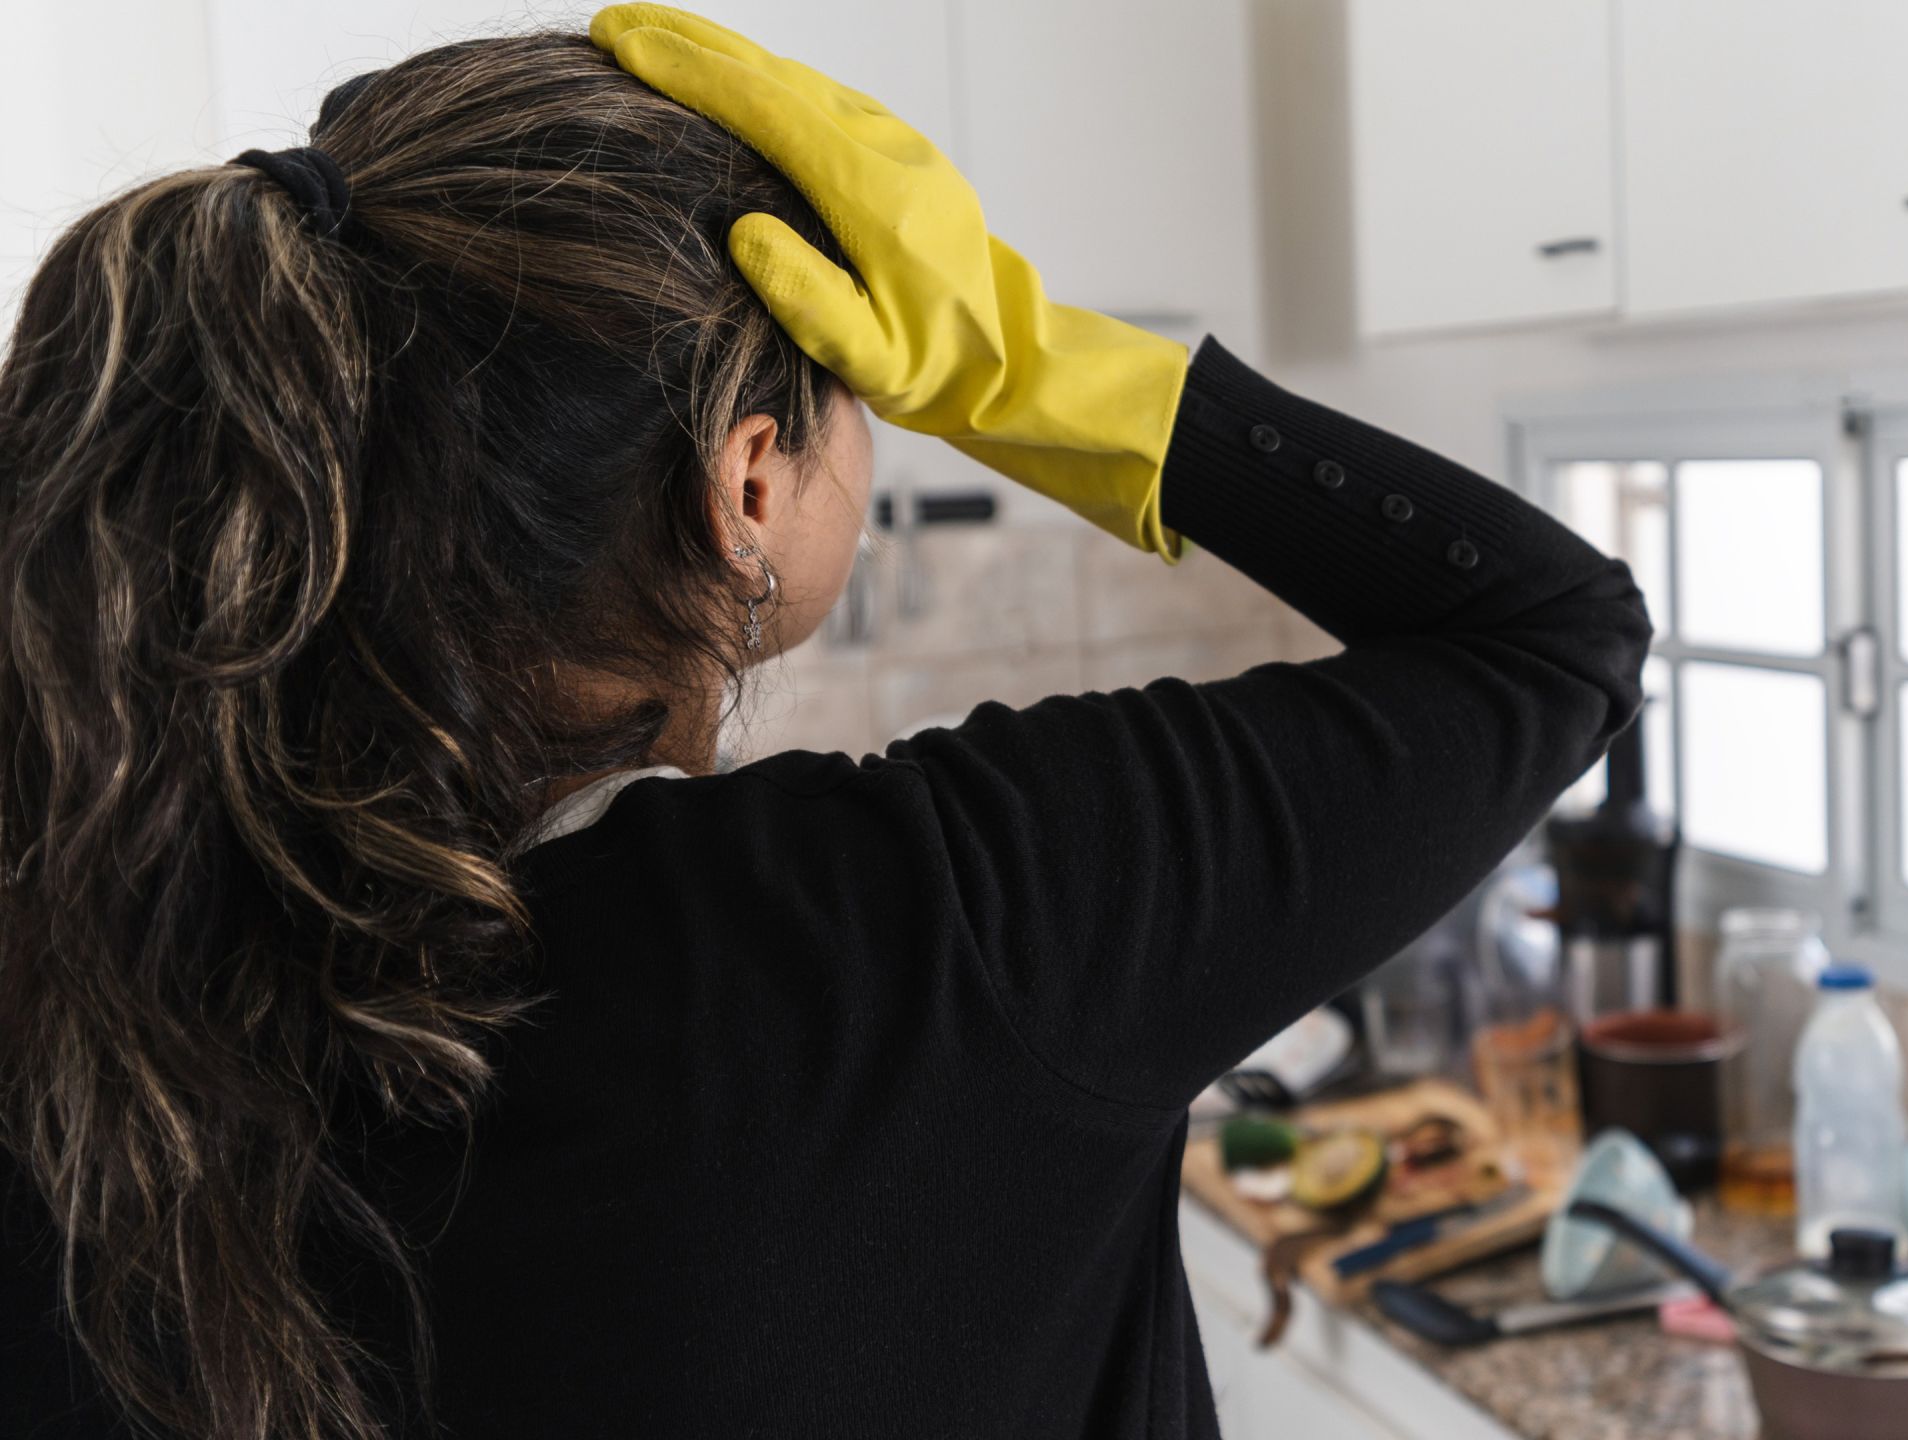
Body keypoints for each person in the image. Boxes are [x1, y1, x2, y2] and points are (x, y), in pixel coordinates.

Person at [0, 9, 1649, 1438]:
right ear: (749, 478)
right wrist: (1032, 367)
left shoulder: (80, 946)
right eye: (861, 390)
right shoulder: (941, 930)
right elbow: (1550, 633)